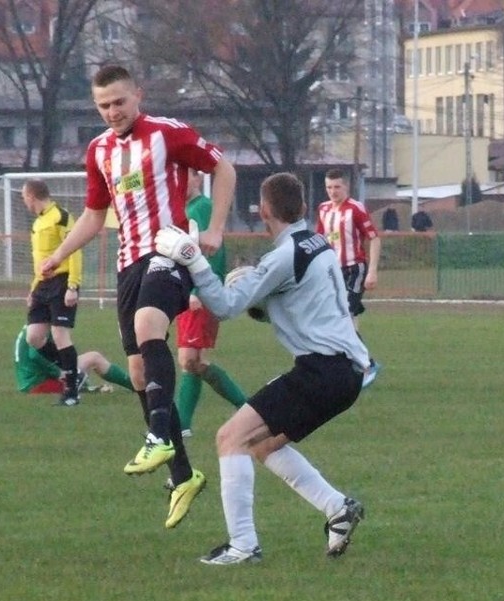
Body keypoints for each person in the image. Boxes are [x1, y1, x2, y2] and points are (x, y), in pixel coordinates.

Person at [40, 64, 236, 529]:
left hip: (169, 249)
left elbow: (223, 167)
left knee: (151, 325)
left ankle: (159, 435)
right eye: (103, 105)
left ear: (137, 97)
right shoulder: (99, 151)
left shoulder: (167, 134)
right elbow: (93, 215)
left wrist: (215, 229)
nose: (112, 112)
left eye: (119, 103)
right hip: (129, 262)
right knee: (137, 369)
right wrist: (61, 255)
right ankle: (183, 475)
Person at [154, 172, 368, 564]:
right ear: (304, 208)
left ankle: (243, 545)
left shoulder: (283, 256)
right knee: (264, 445)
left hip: (324, 369)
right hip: (346, 371)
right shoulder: (315, 242)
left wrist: (194, 260)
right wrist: (261, 296)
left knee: (229, 437)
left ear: (263, 211)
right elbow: (300, 303)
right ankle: (338, 508)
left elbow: (226, 306)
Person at [175, 169, 247, 437]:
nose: (181, 182)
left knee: (190, 359)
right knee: (192, 360)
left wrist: (199, 289)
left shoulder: (202, 207)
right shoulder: (182, 210)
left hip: (201, 292)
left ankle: (244, 406)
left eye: (186, 177)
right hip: (186, 292)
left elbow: (212, 250)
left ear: (196, 179)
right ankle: (183, 424)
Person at [316, 168, 382, 388]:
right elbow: (320, 241)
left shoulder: (355, 209)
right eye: (328, 187)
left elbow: (374, 238)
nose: (332, 191)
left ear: (346, 187)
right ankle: (352, 366)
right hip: (331, 271)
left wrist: (372, 270)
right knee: (342, 320)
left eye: (337, 187)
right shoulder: (324, 209)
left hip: (354, 269)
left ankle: (367, 365)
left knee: (344, 315)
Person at [23, 178, 84, 406]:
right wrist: (33, 288)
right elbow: (39, 260)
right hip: (42, 285)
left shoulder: (62, 216)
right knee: (35, 337)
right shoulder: (37, 223)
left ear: (31, 196)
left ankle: (71, 392)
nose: (24, 202)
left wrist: (73, 285)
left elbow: (75, 251)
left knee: (60, 335)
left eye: (24, 197)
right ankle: (72, 371)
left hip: (62, 281)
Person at [14, 324, 134, 394]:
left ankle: (84, 386)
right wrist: (58, 373)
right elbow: (34, 355)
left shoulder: (35, 325)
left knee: (91, 357)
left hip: (30, 382)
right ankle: (137, 386)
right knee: (94, 358)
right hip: (39, 384)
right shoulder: (44, 327)